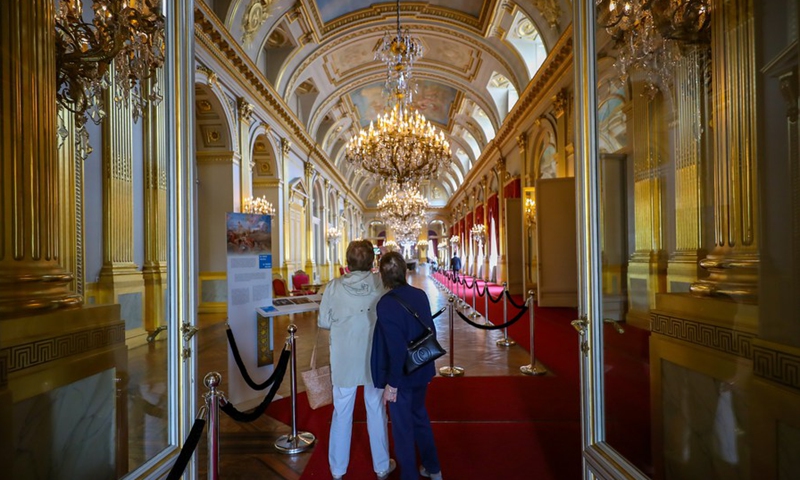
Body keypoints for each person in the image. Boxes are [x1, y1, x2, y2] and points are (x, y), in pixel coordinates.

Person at [318, 240, 396, 480]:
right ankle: (382, 466)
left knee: (342, 412)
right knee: (376, 410)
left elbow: (323, 322)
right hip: (374, 358)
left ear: (347, 263)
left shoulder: (333, 287)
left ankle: (338, 469)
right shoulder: (381, 284)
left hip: (344, 358)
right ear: (371, 262)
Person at [371, 252, 444, 480]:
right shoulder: (420, 294)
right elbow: (430, 329)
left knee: (402, 429)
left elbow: (396, 349)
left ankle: (410, 475)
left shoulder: (385, 304)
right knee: (420, 417)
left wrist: (392, 384)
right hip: (422, 367)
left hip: (401, 375)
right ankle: (434, 469)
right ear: (404, 271)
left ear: (382, 276)